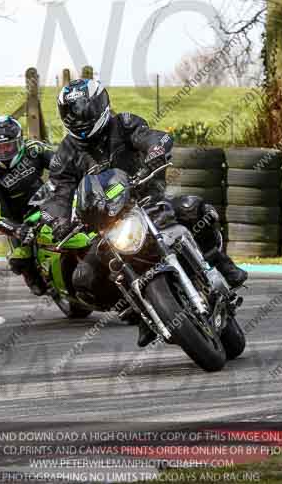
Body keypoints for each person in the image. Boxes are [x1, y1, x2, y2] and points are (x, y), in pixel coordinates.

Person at [44, 79, 247, 345]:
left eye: (83, 110)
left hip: (147, 199)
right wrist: (58, 221)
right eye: (71, 113)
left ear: (100, 104)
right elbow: (59, 192)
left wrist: (156, 151)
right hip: (107, 222)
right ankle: (141, 311)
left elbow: (152, 136)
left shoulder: (123, 123)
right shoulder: (65, 153)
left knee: (195, 210)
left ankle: (221, 264)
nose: (78, 118)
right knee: (85, 279)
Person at [0, 115, 54, 296]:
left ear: (19, 142)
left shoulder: (35, 149)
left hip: (47, 202)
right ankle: (32, 273)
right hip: (19, 219)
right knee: (20, 262)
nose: (4, 152)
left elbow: (63, 165)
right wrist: (17, 229)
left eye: (8, 146)